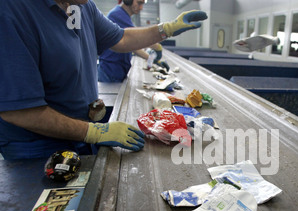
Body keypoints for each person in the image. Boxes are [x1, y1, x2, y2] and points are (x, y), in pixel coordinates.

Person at [0, 0, 207, 160]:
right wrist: (93, 132)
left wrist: (165, 29)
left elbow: (122, 38)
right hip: (36, 148)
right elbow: (20, 111)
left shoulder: (81, 6)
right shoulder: (11, 12)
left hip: (80, 135)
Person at [98, 0, 169, 83]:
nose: (141, 8)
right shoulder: (117, 15)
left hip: (117, 69)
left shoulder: (124, 16)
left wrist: (153, 60)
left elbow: (133, 46)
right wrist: (157, 46)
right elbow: (137, 39)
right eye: (139, 3)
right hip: (110, 70)